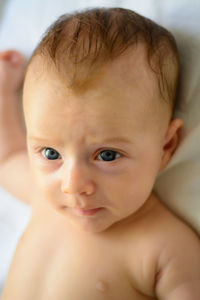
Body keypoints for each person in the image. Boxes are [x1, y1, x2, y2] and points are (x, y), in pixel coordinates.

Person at [0, 7, 200, 300]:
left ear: (166, 147)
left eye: (107, 155)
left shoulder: (165, 248)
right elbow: (7, 158)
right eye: (51, 153)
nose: (73, 184)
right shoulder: (44, 198)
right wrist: (4, 94)